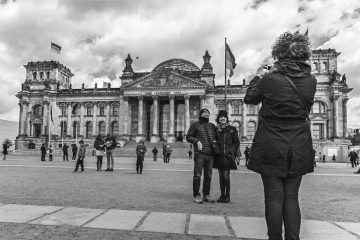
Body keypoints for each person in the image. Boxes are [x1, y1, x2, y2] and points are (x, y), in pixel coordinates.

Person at [244, 30, 316, 240]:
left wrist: (259, 75)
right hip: (299, 144)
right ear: (303, 54)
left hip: (271, 143)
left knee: (274, 198)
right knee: (292, 198)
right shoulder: (311, 80)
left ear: (279, 53)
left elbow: (250, 98)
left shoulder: (270, 79)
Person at [186, 108, 217, 204]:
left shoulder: (212, 126)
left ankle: (206, 195)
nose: (206, 115)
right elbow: (188, 137)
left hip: (210, 154)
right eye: (204, 113)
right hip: (200, 154)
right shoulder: (195, 125)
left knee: (208, 175)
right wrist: (197, 141)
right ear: (200, 115)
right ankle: (196, 195)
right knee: (197, 175)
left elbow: (217, 136)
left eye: (208, 113)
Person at [213, 110, 240, 203]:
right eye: (221, 117)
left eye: (224, 117)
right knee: (221, 176)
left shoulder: (232, 129)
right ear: (218, 119)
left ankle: (227, 196)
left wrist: (231, 151)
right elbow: (214, 141)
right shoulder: (216, 130)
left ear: (227, 118)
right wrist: (216, 149)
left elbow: (236, 143)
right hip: (219, 156)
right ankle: (222, 195)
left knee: (226, 176)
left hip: (228, 156)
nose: (223, 118)